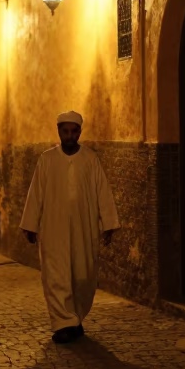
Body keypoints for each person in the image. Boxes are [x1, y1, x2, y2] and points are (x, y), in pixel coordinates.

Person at [20, 110, 119, 343]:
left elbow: (102, 192)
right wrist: (30, 225)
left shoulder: (90, 159)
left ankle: (75, 318)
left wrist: (109, 224)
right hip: (53, 229)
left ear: (79, 132)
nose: (70, 135)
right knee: (56, 277)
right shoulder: (47, 159)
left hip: (84, 229)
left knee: (83, 276)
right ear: (59, 132)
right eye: (65, 131)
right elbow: (36, 194)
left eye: (74, 131)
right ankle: (63, 323)